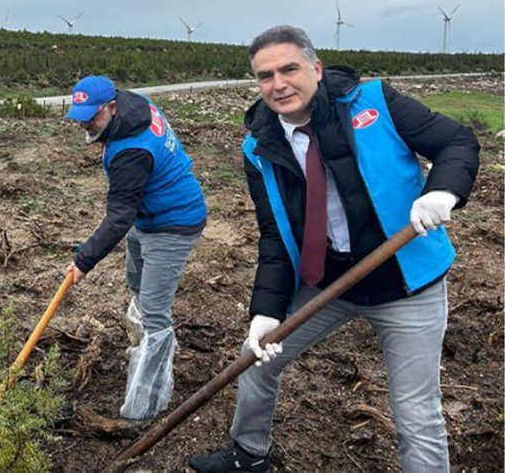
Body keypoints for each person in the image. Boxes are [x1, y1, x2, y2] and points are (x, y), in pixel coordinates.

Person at [188, 25, 479, 473]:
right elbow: (274, 235)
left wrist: (443, 191)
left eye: (289, 69)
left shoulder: (376, 104)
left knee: (416, 414)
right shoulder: (259, 147)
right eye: (265, 76)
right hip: (329, 284)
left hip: (406, 282)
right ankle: (248, 455)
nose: (278, 84)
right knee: (257, 361)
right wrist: (265, 310)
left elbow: (456, 142)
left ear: (316, 69)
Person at [64, 75, 207, 421]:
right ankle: (141, 347)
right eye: (79, 115)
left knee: (156, 312)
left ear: (112, 108)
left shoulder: (131, 151)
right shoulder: (134, 105)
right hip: (147, 216)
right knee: (137, 283)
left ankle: (146, 404)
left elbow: (118, 217)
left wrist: (84, 261)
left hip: (173, 224)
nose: (85, 124)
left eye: (91, 116)